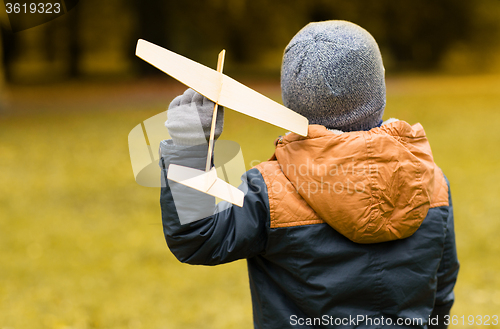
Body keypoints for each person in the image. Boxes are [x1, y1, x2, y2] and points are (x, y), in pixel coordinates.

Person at [159, 20, 459, 329]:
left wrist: (189, 146)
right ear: (379, 85)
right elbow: (442, 286)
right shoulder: (429, 179)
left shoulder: (269, 191)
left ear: (290, 100)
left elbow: (197, 236)